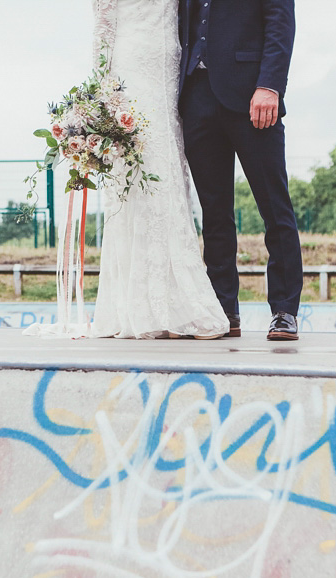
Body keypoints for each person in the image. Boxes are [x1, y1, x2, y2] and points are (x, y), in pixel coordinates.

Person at [81, 0, 229, 340]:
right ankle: (144, 307)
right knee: (141, 175)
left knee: (171, 174)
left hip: (171, 70)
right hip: (132, 68)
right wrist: (102, 93)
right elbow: (103, 26)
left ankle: (171, 302)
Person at [178, 0, 304, 340]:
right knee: (214, 213)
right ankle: (223, 309)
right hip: (196, 95)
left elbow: (281, 22)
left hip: (253, 94)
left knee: (274, 207)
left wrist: (271, 86)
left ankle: (284, 310)